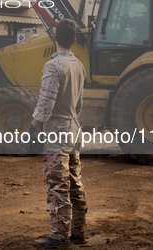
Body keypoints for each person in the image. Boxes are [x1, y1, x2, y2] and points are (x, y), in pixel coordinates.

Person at [24, 18, 87, 248]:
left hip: (57, 133)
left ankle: (59, 235)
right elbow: (79, 104)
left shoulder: (53, 66)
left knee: (57, 184)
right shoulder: (78, 65)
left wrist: (32, 126)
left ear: (54, 39)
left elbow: (46, 104)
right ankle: (78, 231)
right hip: (73, 128)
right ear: (73, 40)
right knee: (74, 182)